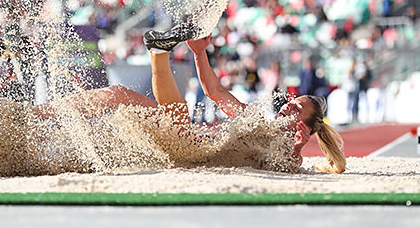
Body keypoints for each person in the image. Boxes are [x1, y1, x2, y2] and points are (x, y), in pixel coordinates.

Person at [33, 27, 346, 174]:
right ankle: (37, 114)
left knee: (170, 115)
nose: (288, 105)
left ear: (303, 126)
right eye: (292, 101)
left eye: (297, 108)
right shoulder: (256, 120)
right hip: (190, 143)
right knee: (119, 95)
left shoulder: (291, 155)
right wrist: (199, 52)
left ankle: (158, 55)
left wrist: (295, 147)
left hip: (195, 155)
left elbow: (285, 166)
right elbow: (215, 92)